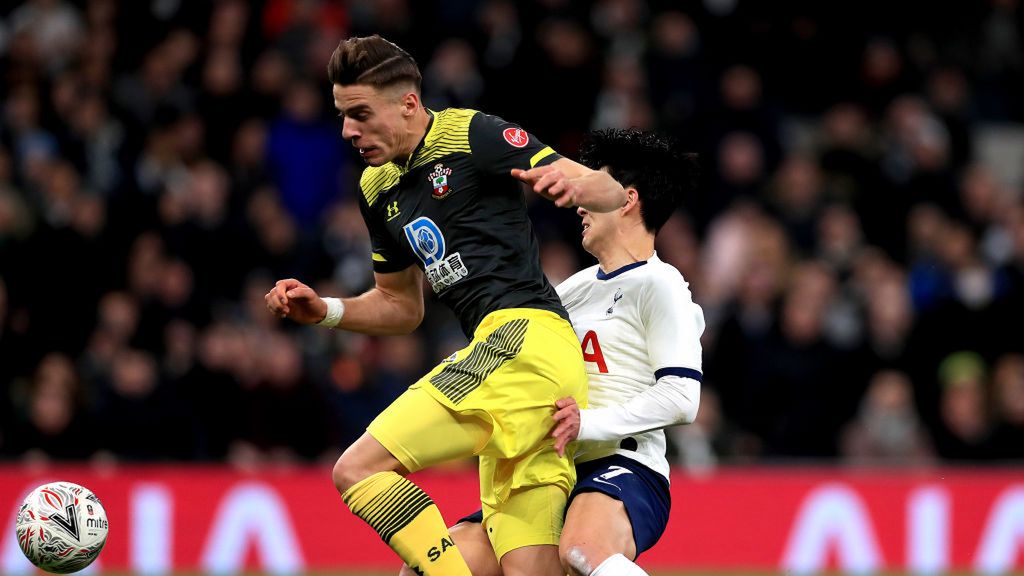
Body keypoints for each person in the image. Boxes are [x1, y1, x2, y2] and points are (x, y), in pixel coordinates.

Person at [264, 35, 627, 576]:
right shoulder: (376, 186)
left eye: (360, 114)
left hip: (525, 342)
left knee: (358, 469)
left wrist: (576, 187)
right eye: (342, 116)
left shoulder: (471, 133)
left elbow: (611, 192)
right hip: (515, 379)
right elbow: (400, 305)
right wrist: (328, 313)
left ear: (408, 103)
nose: (348, 131)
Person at [400, 128, 705, 576]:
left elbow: (682, 396)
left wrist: (588, 422)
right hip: (544, 471)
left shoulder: (661, 284)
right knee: (430, 569)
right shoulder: (573, 289)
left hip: (621, 463)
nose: (579, 204)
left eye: (591, 188)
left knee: (582, 550)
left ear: (627, 199)